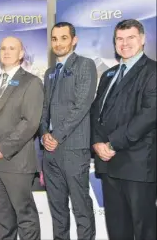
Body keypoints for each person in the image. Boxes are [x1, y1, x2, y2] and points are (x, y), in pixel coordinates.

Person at [91, 19, 156, 240]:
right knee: (117, 231)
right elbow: (96, 112)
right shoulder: (109, 75)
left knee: (145, 230)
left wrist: (111, 144)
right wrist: (97, 142)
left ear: (143, 39)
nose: (124, 43)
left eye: (131, 37)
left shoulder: (153, 71)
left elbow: (148, 116)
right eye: (120, 38)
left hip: (137, 166)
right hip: (109, 165)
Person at [0, 36, 44, 240]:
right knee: (3, 221)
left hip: (16, 162)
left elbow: (30, 123)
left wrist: (2, 149)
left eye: (12, 48)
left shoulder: (31, 82)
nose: (6, 52)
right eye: (3, 48)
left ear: (21, 54)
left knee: (26, 218)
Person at [39, 22, 97, 240]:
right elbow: (44, 108)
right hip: (50, 151)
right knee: (58, 210)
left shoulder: (85, 65)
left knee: (81, 208)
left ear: (74, 40)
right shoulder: (49, 72)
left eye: (64, 38)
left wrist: (56, 135)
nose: (59, 43)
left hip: (73, 148)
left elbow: (82, 105)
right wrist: (44, 133)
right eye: (54, 38)